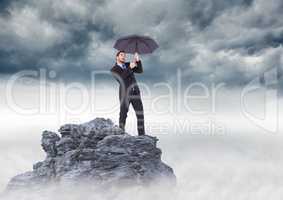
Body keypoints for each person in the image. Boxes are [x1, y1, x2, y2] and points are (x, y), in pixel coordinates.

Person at [110, 50, 145, 136]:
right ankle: (121, 133)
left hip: (135, 92)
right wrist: (130, 68)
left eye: (124, 55)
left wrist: (138, 60)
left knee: (140, 114)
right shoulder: (113, 69)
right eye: (121, 55)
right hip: (125, 94)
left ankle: (142, 135)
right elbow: (121, 78)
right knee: (123, 114)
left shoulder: (127, 64)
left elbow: (140, 71)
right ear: (117, 57)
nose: (124, 57)